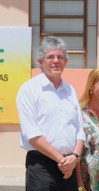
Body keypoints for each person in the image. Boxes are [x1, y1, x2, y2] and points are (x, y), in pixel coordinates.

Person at [16, 36, 85, 191]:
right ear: (41, 62)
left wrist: (74, 158)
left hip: (69, 165)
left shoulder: (70, 90)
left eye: (60, 57)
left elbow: (80, 129)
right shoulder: (29, 90)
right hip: (42, 167)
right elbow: (32, 135)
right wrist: (62, 161)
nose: (56, 61)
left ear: (66, 62)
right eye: (50, 57)